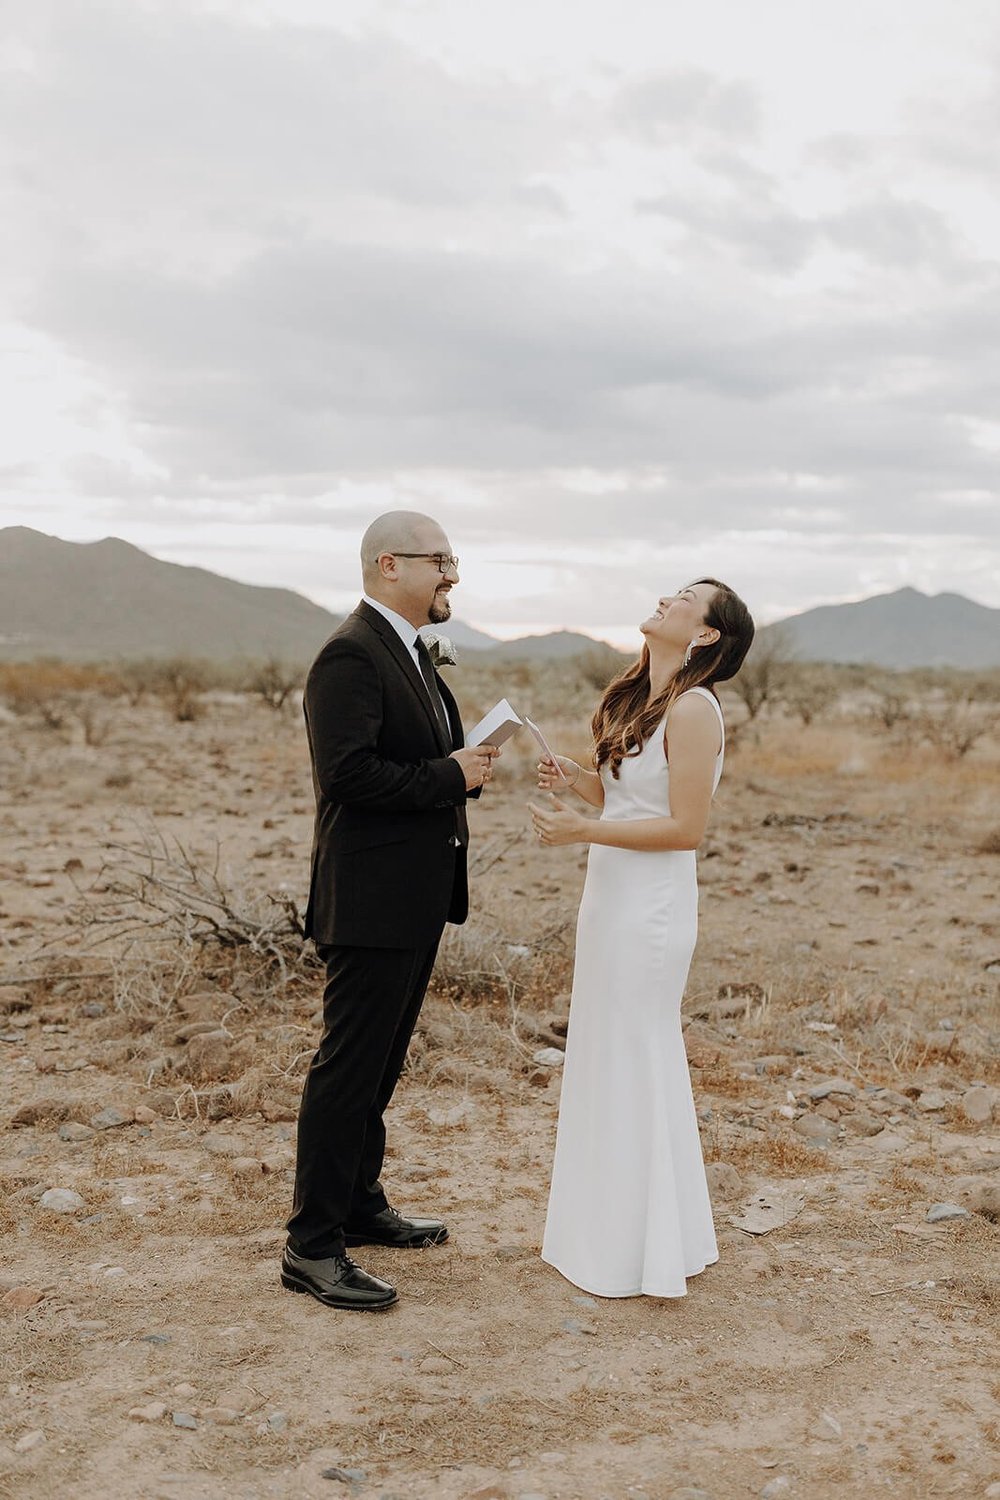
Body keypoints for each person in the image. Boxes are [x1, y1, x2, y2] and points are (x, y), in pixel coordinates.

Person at [283, 511, 498, 1311]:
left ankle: (361, 1204)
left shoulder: (408, 652)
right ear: (387, 565)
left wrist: (462, 767)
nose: (452, 574)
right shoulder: (349, 653)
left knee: (380, 1066)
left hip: (413, 897)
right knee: (347, 1071)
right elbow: (346, 777)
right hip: (368, 899)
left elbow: (413, 762)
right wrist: (452, 775)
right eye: (440, 559)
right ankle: (312, 1246)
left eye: (452, 558)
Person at [528, 578, 754, 1299]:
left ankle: (647, 1246)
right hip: (609, 898)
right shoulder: (638, 699)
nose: (666, 598)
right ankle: (606, 1236)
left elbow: (686, 829)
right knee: (604, 1050)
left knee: (638, 1051)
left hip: (650, 907)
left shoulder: (694, 709)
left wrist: (584, 829)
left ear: (707, 634)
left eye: (686, 596)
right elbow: (627, 796)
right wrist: (578, 782)